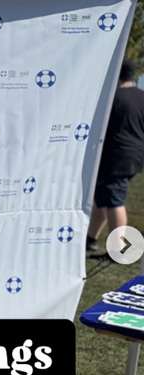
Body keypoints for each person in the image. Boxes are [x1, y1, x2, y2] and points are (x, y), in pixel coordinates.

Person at [87, 58, 144, 252]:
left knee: (115, 202)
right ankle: (91, 239)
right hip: (136, 156)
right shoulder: (141, 96)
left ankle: (119, 249)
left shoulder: (114, 97)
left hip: (115, 157)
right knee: (104, 199)